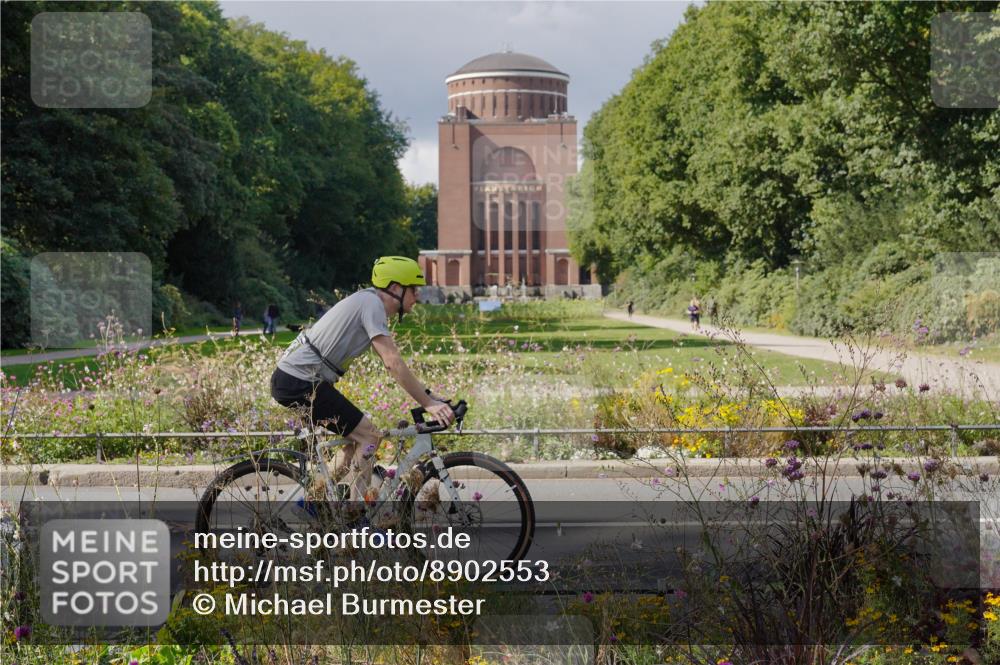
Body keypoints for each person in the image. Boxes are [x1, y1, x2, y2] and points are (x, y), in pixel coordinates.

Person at [270, 256, 455, 502]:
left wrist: (429, 397)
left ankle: (312, 503)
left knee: (353, 444)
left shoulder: (368, 303)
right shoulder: (372, 305)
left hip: (296, 380)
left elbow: (392, 364)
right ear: (395, 288)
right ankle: (357, 517)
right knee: (370, 437)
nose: (418, 297)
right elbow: (393, 362)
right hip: (299, 381)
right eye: (414, 289)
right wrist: (428, 404)